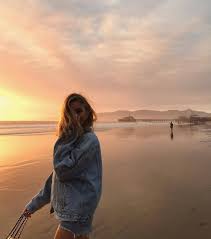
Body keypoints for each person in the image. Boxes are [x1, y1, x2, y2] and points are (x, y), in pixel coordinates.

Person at [23, 93, 103, 239]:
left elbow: (62, 172)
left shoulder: (89, 141)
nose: (75, 117)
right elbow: (54, 181)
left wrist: (65, 136)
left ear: (88, 112)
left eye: (79, 111)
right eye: (71, 113)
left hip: (78, 211)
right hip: (73, 209)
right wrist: (32, 206)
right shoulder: (73, 141)